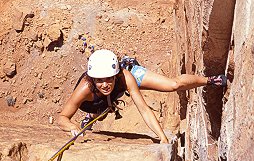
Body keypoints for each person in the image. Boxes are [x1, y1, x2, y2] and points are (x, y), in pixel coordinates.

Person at [58, 49, 227, 144]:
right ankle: (91, 117)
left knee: (173, 85)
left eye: (109, 78)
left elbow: (144, 109)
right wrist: (73, 128)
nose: (105, 84)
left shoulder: (125, 76)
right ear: (93, 79)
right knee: (101, 113)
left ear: (116, 75)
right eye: (100, 80)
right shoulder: (85, 88)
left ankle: (210, 80)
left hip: (121, 86)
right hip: (93, 104)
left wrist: (162, 137)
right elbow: (63, 117)